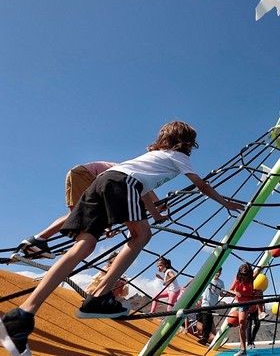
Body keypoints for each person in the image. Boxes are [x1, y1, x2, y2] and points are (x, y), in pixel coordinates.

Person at [0, 121, 244, 356]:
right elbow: (200, 185)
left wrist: (157, 214)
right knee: (141, 234)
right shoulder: (178, 157)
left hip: (102, 183)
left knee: (84, 246)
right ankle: (99, 297)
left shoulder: (149, 159)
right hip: (121, 183)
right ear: (187, 143)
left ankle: (21, 317)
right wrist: (224, 201)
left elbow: (145, 190)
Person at [19, 161, 165, 259]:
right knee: (78, 214)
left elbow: (110, 209)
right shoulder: (141, 181)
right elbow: (151, 198)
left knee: (75, 214)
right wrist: (160, 209)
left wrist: (106, 228)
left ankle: (37, 241)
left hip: (81, 173)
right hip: (87, 175)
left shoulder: (131, 178)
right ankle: (37, 240)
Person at [229, 263, 254, 356]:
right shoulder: (237, 278)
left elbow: (258, 271)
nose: (244, 276)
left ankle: (261, 311)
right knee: (241, 326)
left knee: (242, 324)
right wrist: (235, 292)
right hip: (240, 303)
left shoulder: (251, 278)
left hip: (248, 303)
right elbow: (230, 289)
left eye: (246, 274)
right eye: (242, 274)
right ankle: (243, 349)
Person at [197, 268, 226, 345]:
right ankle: (207, 337)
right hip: (205, 303)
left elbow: (221, 294)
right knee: (203, 321)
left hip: (213, 305)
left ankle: (207, 338)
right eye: (216, 271)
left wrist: (230, 294)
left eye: (219, 272)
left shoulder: (221, 282)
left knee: (208, 322)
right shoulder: (209, 279)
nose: (218, 273)